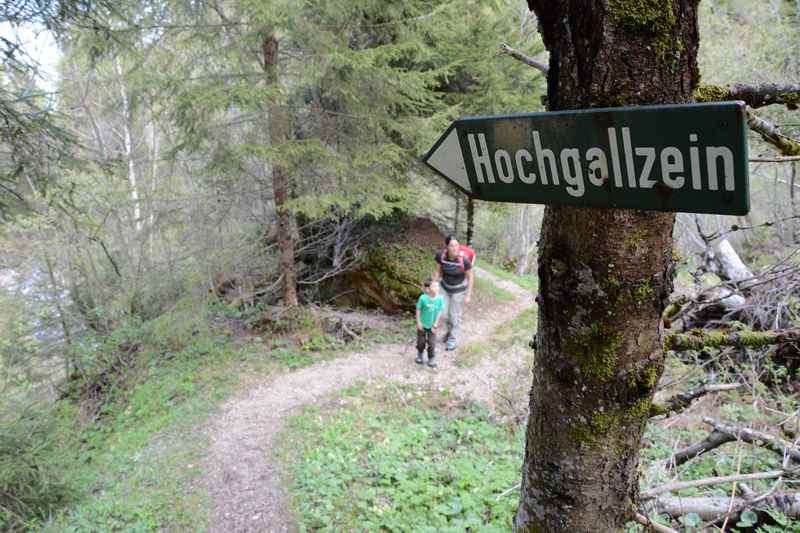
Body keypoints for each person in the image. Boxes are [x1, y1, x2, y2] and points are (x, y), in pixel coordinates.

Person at [434, 237, 474, 351]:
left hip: (459, 289)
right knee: (444, 313)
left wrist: (468, 295)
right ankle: (448, 332)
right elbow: (438, 271)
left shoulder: (464, 260)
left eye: (457, 245)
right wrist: (433, 283)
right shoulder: (441, 256)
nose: (455, 248)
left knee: (454, 315)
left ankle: (453, 339)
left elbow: (470, 277)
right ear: (447, 247)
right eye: (452, 245)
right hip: (445, 287)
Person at [415, 278, 444, 368]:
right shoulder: (423, 298)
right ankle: (420, 354)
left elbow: (439, 311)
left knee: (432, 343)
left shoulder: (440, 299)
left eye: (438, 286)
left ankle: (431, 358)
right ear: (428, 289)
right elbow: (418, 310)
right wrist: (419, 322)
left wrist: (436, 324)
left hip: (433, 326)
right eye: (434, 286)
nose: (437, 288)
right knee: (421, 342)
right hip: (423, 325)